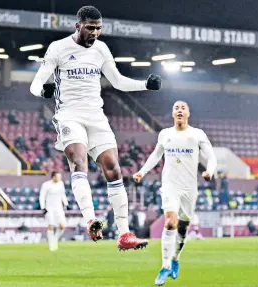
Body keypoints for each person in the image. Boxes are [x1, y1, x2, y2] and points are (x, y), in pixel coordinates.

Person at [30, 5, 161, 250]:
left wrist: (146, 85)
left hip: (97, 116)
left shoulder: (101, 49)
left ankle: (125, 235)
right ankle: (91, 220)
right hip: (69, 115)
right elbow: (35, 83)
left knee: (114, 169)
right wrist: (44, 90)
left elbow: (118, 81)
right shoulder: (58, 48)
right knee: (79, 161)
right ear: (78, 25)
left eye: (99, 28)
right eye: (91, 28)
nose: (95, 33)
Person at [133, 101, 217, 285]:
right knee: (171, 222)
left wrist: (209, 171)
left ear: (188, 113)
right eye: (176, 108)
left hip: (189, 188)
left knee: (182, 229)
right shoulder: (165, 134)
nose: (179, 110)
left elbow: (211, 156)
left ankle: (175, 258)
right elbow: (156, 155)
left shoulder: (197, 134)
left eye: (183, 108)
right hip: (170, 186)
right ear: (172, 114)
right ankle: (164, 267)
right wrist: (142, 171)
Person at [40, 171, 68, 251]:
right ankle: (51, 245)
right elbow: (42, 196)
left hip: (59, 209)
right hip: (50, 209)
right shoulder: (46, 185)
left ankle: (55, 239)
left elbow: (63, 194)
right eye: (58, 177)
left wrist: (66, 203)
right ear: (53, 177)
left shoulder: (61, 184)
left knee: (62, 226)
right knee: (51, 226)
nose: (60, 178)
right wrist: (43, 207)